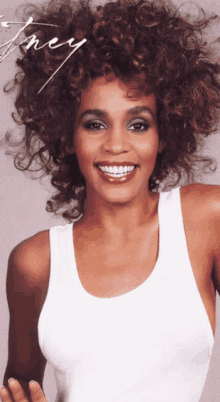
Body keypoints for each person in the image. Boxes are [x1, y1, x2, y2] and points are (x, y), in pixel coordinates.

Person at [1, 0, 220, 400]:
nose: (117, 145)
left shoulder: (205, 220)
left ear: (164, 133)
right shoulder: (35, 264)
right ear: (66, 135)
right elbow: (16, 393)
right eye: (95, 124)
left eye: (138, 124)